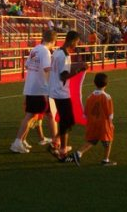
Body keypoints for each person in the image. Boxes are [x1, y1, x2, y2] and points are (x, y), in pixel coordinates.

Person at [10, 30, 57, 154]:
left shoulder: (35, 49)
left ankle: (21, 140)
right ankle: (18, 141)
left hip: (32, 86)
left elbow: (27, 66)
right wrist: (59, 69)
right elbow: (47, 68)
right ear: (53, 41)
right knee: (32, 115)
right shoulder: (46, 51)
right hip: (39, 89)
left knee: (35, 115)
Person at [49, 30, 86, 160]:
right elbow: (63, 75)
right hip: (61, 92)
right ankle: (62, 151)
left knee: (68, 121)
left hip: (55, 90)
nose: (77, 44)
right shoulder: (64, 55)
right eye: (76, 42)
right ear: (71, 41)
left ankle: (55, 142)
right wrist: (79, 69)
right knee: (67, 122)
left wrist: (76, 66)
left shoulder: (57, 52)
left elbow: (61, 69)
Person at [66, 73, 116, 167]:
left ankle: (78, 153)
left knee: (92, 140)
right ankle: (106, 159)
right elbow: (110, 115)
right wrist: (111, 124)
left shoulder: (90, 97)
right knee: (108, 141)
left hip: (92, 123)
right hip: (103, 124)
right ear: (106, 84)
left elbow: (85, 114)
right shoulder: (107, 97)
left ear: (94, 83)